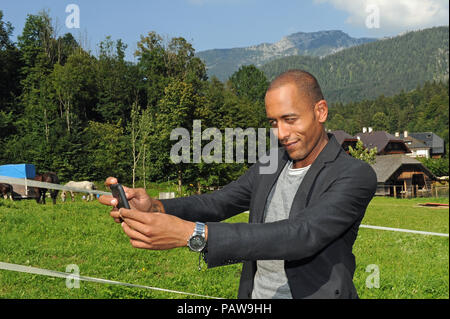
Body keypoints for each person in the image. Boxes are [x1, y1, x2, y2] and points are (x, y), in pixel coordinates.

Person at [99, 69, 377, 299]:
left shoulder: (354, 175)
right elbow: (218, 202)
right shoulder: (272, 163)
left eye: (290, 120)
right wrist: (156, 206)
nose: (281, 133)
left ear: (321, 111)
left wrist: (195, 234)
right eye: (273, 122)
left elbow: (300, 235)